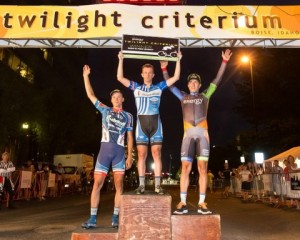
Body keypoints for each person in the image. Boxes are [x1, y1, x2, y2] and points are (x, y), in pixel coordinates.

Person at [161, 49, 232, 214]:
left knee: (202, 169)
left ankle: (202, 203)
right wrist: (164, 70)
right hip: (187, 136)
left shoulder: (206, 96)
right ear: (187, 85)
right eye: (190, 82)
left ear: (200, 85)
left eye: (196, 82)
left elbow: (217, 80)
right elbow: (169, 85)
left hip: (203, 136)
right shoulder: (183, 96)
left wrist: (224, 62)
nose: (193, 83)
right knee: (185, 169)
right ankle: (183, 203)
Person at [117, 51, 182, 195]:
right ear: (141, 74)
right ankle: (141, 185)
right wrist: (120, 59)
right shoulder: (136, 87)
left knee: (157, 154)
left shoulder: (159, 87)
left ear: (153, 75)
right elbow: (120, 77)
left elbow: (176, 77)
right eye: (145, 72)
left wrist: (178, 60)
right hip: (141, 125)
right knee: (141, 155)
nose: (147, 75)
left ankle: (158, 186)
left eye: (150, 73)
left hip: (156, 125)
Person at [81, 65, 134, 229]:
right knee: (97, 185)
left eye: (119, 97)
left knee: (119, 186)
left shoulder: (129, 116)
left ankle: (116, 217)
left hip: (119, 154)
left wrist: (129, 156)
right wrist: (86, 76)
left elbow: (130, 137)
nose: (117, 99)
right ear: (111, 100)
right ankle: (92, 218)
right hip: (104, 152)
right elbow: (90, 95)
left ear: (123, 99)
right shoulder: (104, 110)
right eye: (114, 97)